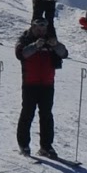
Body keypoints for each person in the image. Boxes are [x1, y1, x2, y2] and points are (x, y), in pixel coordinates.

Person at [14, 19, 69, 158]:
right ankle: (24, 145)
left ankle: (46, 146)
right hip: (30, 84)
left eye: (44, 28)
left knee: (46, 116)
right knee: (27, 114)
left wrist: (56, 45)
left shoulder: (50, 40)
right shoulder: (25, 40)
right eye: (39, 28)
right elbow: (21, 54)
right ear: (33, 27)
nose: (41, 31)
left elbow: (64, 53)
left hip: (47, 84)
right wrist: (35, 46)